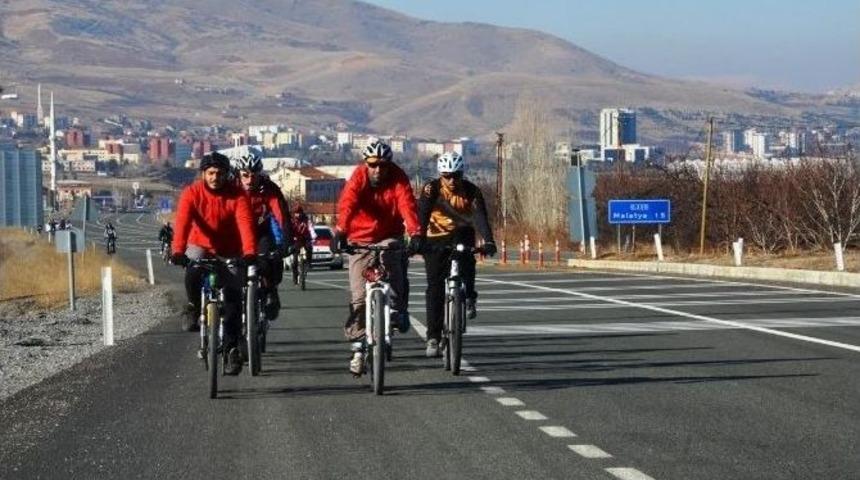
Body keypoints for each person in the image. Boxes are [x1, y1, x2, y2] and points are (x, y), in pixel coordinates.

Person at [333, 139, 422, 375]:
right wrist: (340, 231)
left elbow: (407, 204)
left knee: (395, 271)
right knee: (359, 296)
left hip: (388, 236)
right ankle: (358, 349)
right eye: (373, 164)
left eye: (382, 165)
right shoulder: (358, 177)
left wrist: (415, 233)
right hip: (359, 238)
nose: (378, 170)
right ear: (366, 163)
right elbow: (347, 204)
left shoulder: (398, 177)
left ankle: (397, 310)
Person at [171, 151, 257, 375]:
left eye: (219, 173)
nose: (215, 178)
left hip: (230, 249)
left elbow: (245, 224)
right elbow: (182, 223)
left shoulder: (237, 195)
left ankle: (230, 350)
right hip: (201, 244)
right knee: (192, 270)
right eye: (210, 173)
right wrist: (178, 250)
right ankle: (193, 307)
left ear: (227, 174)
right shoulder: (191, 193)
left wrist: (249, 252)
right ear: (203, 174)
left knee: (232, 300)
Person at [418, 151, 496, 357]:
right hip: (435, 238)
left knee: (468, 260)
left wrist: (489, 241)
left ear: (462, 174)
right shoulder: (430, 189)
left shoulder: (472, 191)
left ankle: (469, 296)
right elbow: (422, 214)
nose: (452, 180)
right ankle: (433, 336)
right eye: (447, 176)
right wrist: (417, 239)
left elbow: (480, 217)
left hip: (462, 234)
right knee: (435, 288)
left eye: (456, 176)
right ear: (441, 175)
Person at [229, 145, 292, 320]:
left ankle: (271, 291)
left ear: (260, 174)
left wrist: (287, 241)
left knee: (268, 260)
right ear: (238, 174)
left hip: (260, 232)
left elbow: (282, 215)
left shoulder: (269, 188)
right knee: (234, 270)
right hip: (236, 233)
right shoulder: (231, 187)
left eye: (254, 175)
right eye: (245, 176)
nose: (249, 180)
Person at [290, 204, 314, 286]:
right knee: (294, 261)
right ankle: (295, 277)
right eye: (296, 213)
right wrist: (291, 237)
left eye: (299, 212)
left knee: (309, 248)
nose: (297, 214)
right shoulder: (292, 221)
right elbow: (289, 230)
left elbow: (311, 228)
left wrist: (313, 236)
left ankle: (309, 262)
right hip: (296, 239)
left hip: (305, 238)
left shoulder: (306, 219)